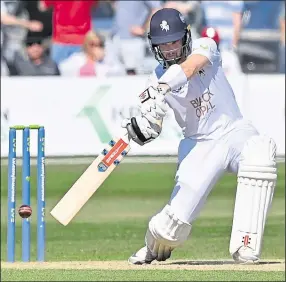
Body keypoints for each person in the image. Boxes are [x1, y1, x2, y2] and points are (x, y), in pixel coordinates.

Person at [121, 8, 277, 265]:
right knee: (168, 230)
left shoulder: (206, 46)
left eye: (173, 41)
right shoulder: (153, 79)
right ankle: (152, 245)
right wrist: (145, 124)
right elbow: (153, 127)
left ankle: (246, 246)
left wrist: (161, 88)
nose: (170, 49)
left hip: (234, 130)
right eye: (163, 44)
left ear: (186, 36)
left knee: (260, 153)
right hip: (199, 146)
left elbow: (191, 67)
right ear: (153, 45)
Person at [59, 30, 124, 77]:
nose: (96, 47)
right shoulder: (77, 58)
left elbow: (119, 71)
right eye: (92, 44)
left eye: (99, 44)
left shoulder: (107, 59)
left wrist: (99, 61)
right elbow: (63, 69)